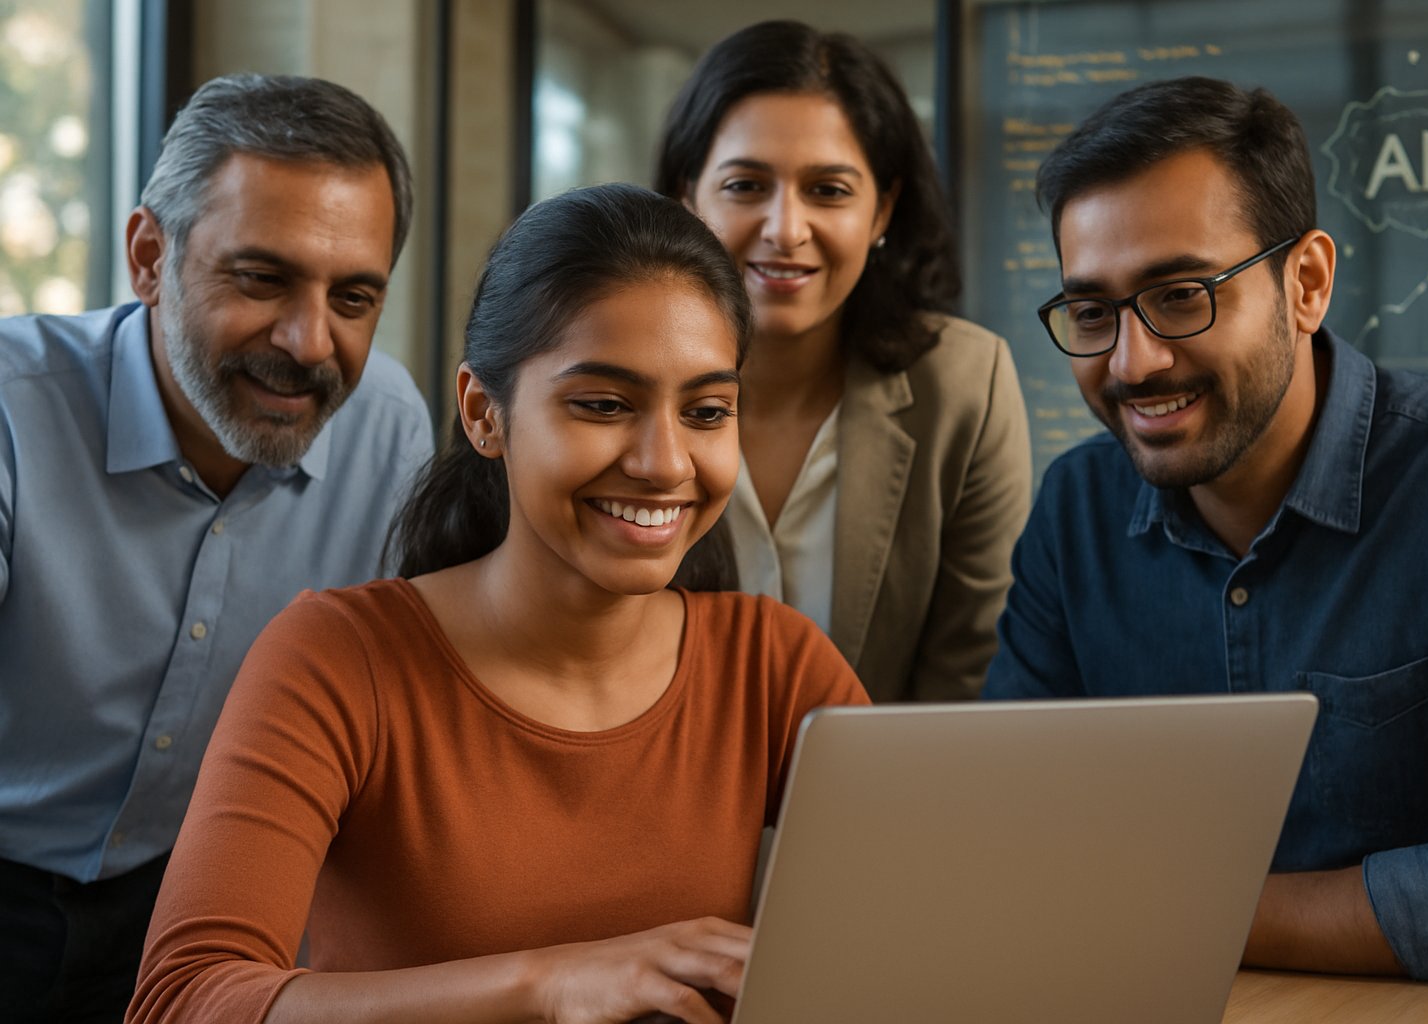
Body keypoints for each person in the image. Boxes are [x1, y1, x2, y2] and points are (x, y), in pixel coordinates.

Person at [128, 183, 869, 1024]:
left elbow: (926, 928)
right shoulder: (335, 661)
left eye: (706, 411)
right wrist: (548, 986)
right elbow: (185, 1000)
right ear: (485, 413)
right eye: (603, 405)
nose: (666, 463)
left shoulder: (774, 666)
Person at [983, 76, 1428, 983]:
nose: (1134, 361)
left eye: (1181, 295)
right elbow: (1008, 833)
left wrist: (1164, 911)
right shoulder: (1075, 511)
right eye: (1092, 312)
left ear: (1307, 282)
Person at [0, 74, 433, 1022]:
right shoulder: (9, 413)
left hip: (208, 900)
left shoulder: (391, 428)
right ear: (149, 257)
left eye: (353, 297)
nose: (308, 341)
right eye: (262, 278)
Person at [655, 20, 1032, 701]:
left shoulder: (965, 388)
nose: (785, 229)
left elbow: (966, 685)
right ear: (689, 195)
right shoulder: (601, 379)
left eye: (828, 190)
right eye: (746, 186)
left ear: (883, 209)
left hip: (892, 799)